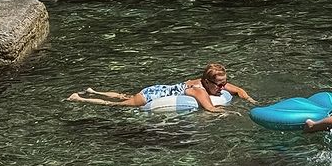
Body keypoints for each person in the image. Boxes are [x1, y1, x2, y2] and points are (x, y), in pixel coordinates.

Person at [68, 63, 255, 112]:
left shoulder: (214, 84)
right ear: (206, 82)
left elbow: (237, 90)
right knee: (118, 105)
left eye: (224, 83)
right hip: (151, 95)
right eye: (220, 84)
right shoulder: (198, 89)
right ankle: (81, 98)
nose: (223, 87)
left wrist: (249, 100)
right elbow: (211, 109)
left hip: (161, 88)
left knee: (122, 95)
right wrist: (229, 113)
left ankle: (94, 90)